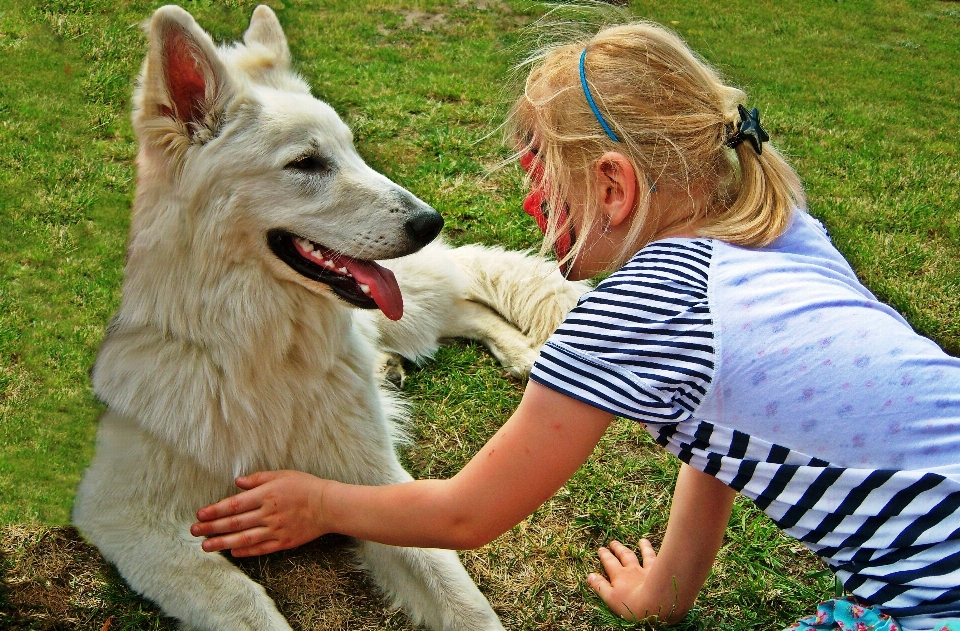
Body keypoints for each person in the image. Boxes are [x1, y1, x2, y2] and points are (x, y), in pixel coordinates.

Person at [190, 21, 960, 631]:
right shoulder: (784, 233)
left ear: (612, 187)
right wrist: (663, 592)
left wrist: (319, 504)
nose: (531, 201)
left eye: (537, 175)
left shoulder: (636, 312)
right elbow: (720, 425)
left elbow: (466, 511)